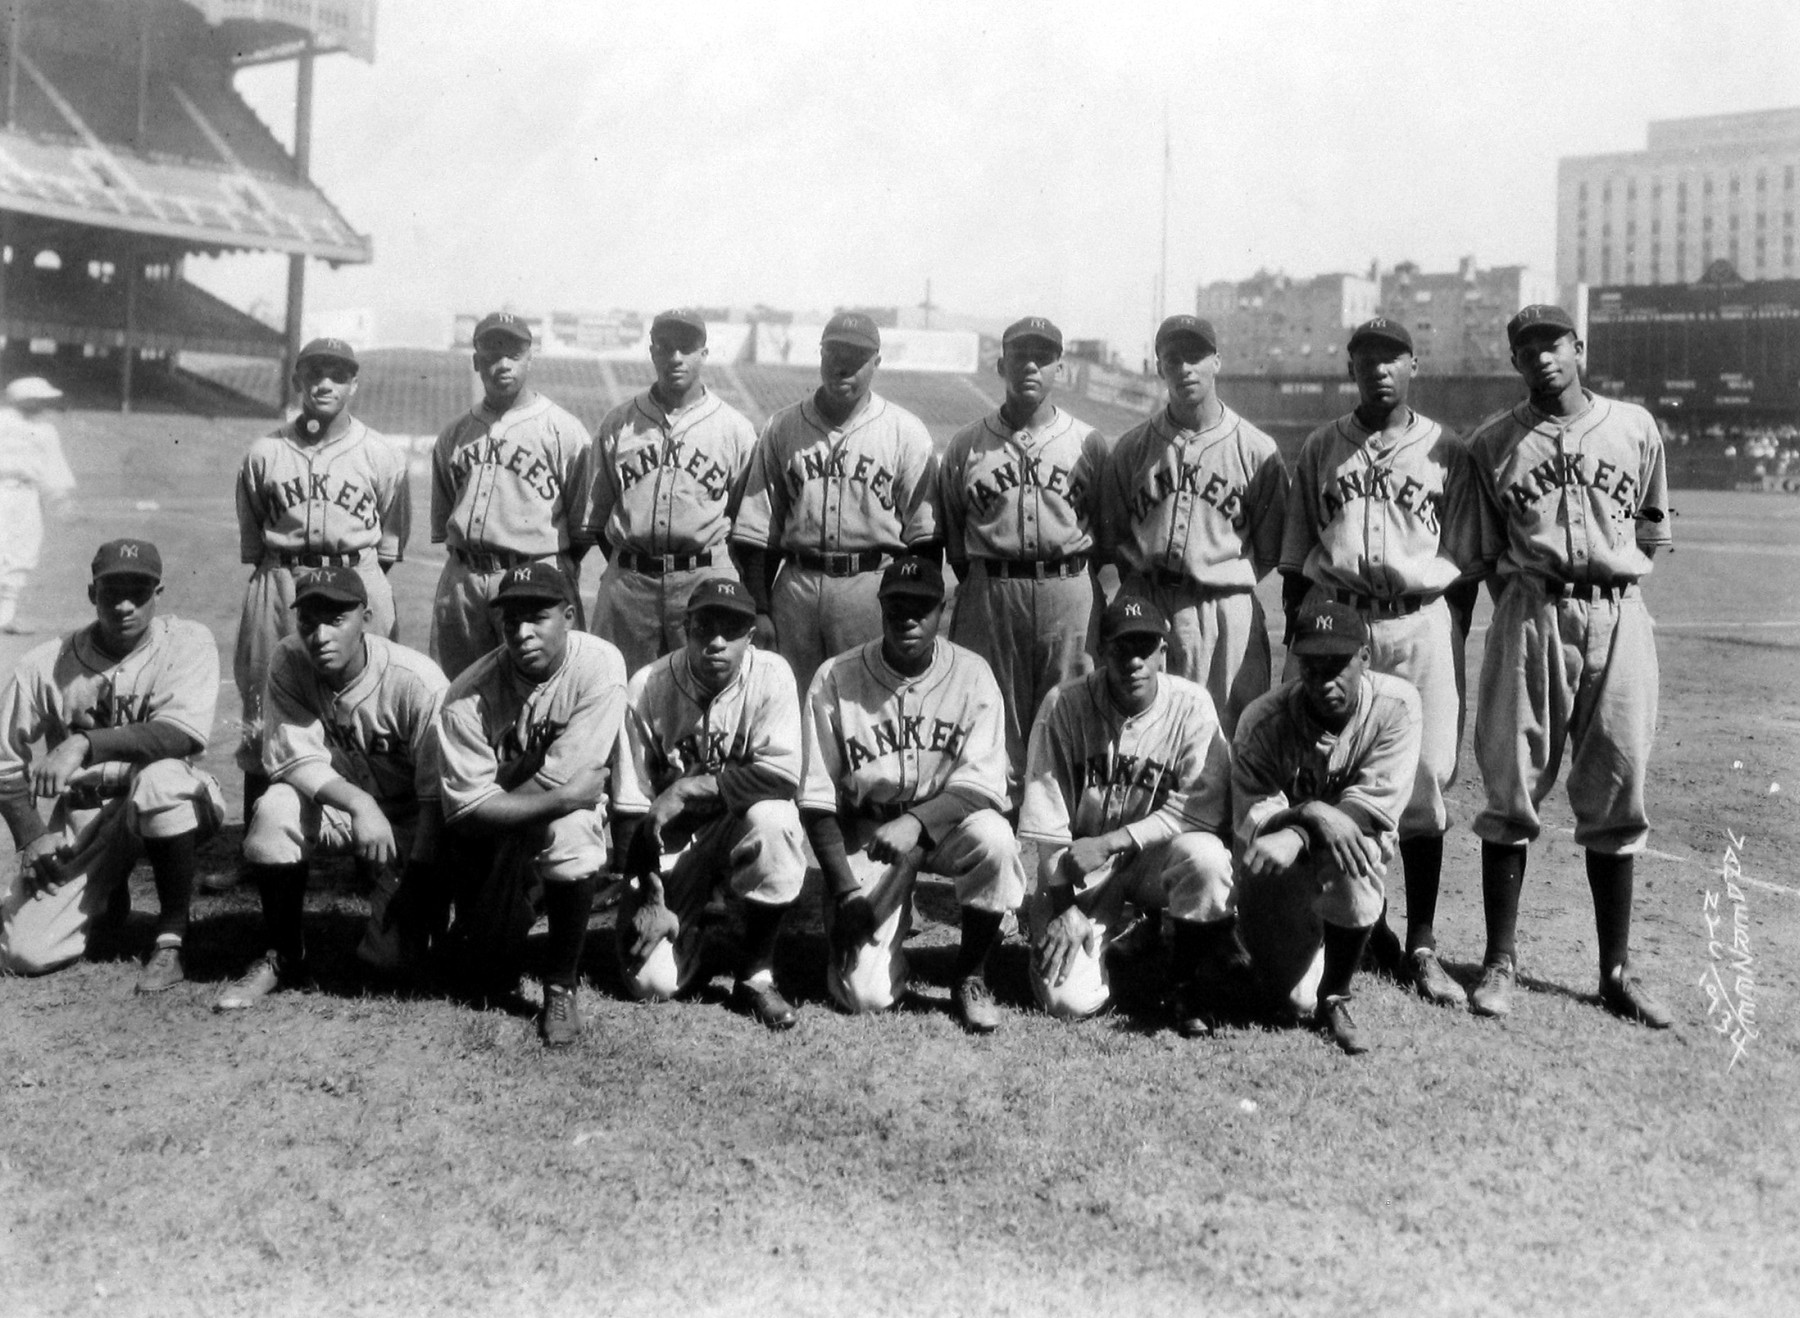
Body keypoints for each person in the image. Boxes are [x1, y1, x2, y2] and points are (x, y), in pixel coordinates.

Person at [1463, 304, 1673, 1028]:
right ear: (1516, 362)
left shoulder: (1636, 426)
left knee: (1618, 786)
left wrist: (1610, 587)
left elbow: (1652, 526)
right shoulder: (1492, 443)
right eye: (1526, 349)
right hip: (1531, 612)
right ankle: (1499, 962)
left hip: (1620, 614)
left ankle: (1615, 973)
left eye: (1552, 344)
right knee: (1510, 787)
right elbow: (1489, 555)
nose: (1542, 358)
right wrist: (1531, 604)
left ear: (1578, 348)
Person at [1278, 317, 1482, 1007]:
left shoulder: (1446, 451)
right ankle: (1363, 929)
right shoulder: (1319, 448)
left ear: (1414, 366)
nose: (1379, 370)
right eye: (1366, 359)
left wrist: (1446, 636)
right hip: (1339, 622)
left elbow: (1466, 569)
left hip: (1417, 621)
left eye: (1391, 358)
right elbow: (1295, 562)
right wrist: (1297, 637)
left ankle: (1421, 944)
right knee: (1324, 775)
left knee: (1423, 785)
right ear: (1352, 368)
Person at [799, 555, 1025, 1032]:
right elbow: (816, 799)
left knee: (997, 839)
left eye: (921, 607)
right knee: (863, 996)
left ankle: (971, 974)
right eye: (896, 605)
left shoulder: (973, 673)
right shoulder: (835, 677)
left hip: (946, 825)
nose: (908, 618)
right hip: (870, 833)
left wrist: (918, 823)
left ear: (941, 611)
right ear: (879, 607)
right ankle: (885, 952)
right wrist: (842, 892)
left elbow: (984, 784)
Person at [214, 567, 447, 1010]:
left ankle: (419, 910)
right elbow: (291, 759)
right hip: (345, 805)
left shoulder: (415, 680)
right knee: (275, 812)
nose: (319, 635)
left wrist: (418, 881)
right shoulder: (288, 660)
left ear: (367, 617)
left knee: (390, 965)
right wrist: (360, 805)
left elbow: (439, 797)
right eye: (309, 621)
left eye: (336, 620)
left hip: (414, 819)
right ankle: (283, 953)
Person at [0, 540, 222, 989]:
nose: (124, 606)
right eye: (111, 592)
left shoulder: (188, 640)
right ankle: (105, 900)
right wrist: (31, 836)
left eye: (138, 593)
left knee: (160, 781)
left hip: (171, 800)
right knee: (24, 953)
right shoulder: (46, 664)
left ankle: (171, 938)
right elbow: (3, 760)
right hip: (85, 815)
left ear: (157, 593)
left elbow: (180, 734)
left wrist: (83, 742)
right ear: (90, 593)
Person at [1020, 594, 1239, 1031]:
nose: (1134, 661)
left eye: (1145, 648)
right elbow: (1047, 822)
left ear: (1164, 652)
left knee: (1206, 858)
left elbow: (1202, 807)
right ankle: (1116, 936)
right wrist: (1064, 906)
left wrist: (1114, 841)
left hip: (1154, 860)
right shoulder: (1063, 704)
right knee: (1068, 1003)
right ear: (1101, 652)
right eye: (1122, 648)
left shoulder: (1193, 705)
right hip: (1080, 868)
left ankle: (1184, 976)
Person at [431, 562, 627, 1047]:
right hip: (485, 841)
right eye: (510, 621)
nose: (521, 633)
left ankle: (560, 984)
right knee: (482, 974)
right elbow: (465, 813)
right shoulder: (466, 696)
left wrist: (556, 799)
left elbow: (573, 786)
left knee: (576, 826)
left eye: (537, 618)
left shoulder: (599, 666)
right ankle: (499, 916)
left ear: (569, 616)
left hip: (531, 822)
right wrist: (558, 797)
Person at [610, 577, 808, 1029]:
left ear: (750, 637)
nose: (716, 642)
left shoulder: (772, 673)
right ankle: (703, 932)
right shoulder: (648, 687)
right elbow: (628, 809)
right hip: (674, 847)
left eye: (732, 630)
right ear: (685, 628)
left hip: (737, 824)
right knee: (651, 986)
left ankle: (756, 974)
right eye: (704, 628)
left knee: (776, 821)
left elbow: (782, 777)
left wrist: (686, 788)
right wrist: (647, 894)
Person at [1232, 601, 1422, 1055]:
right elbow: (1251, 819)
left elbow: (1373, 809)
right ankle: (1341, 937)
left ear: (1365, 657)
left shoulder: (1396, 706)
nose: (1323, 680)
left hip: (1344, 854)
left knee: (1355, 855)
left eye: (1337, 665)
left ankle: (1336, 994)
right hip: (1279, 871)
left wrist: (1302, 824)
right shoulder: (1263, 720)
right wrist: (1310, 817)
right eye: (1311, 667)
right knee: (1287, 1000)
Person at [939, 316, 1109, 809]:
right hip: (991, 589)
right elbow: (953, 534)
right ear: (1000, 365)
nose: (1031, 366)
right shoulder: (968, 443)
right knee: (990, 718)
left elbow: (1107, 533)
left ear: (1061, 366)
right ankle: (997, 842)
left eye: (1043, 356)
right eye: (1020, 356)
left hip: (1070, 586)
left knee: (1073, 712)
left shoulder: (1089, 443)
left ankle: (1064, 853)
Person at [233, 338, 410, 811]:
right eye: (314, 374)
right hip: (281, 580)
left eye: (337, 374)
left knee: (367, 701)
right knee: (263, 703)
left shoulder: (381, 454)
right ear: (297, 381)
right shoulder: (264, 452)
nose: (324, 384)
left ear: (354, 383)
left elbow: (389, 542)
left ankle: (369, 839)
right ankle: (259, 836)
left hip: (355, 577)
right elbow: (254, 540)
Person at [1098, 315, 1287, 739]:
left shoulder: (1256, 449)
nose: (1185, 368)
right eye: (1173, 358)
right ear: (1159, 366)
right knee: (1141, 731)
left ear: (1217, 361)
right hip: (1147, 603)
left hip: (1223, 606)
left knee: (1228, 735)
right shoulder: (1132, 447)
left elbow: (1271, 548)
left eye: (1196, 357)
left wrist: (1224, 583)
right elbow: (1114, 537)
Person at [731, 312, 940, 696]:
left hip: (870, 587)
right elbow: (757, 530)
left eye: (856, 356)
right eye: (834, 352)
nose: (842, 365)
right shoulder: (782, 427)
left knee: (868, 703)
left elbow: (924, 539)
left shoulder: (905, 431)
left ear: (876, 362)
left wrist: (912, 608)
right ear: (820, 354)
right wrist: (760, 607)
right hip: (797, 587)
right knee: (789, 704)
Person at [582, 309, 758, 674]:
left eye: (686, 348)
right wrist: (632, 562)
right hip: (629, 586)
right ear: (652, 352)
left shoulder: (734, 428)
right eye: (665, 347)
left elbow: (745, 525)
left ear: (704, 354)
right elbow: (597, 519)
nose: (675, 357)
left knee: (704, 695)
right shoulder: (618, 423)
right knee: (617, 691)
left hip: (703, 582)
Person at [429, 312, 591, 680]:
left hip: (533, 575)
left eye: (513, 354)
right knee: (456, 691)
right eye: (490, 354)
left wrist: (550, 563)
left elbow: (583, 528)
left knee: (544, 693)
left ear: (530, 357)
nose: (502, 364)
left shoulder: (563, 430)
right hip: (464, 581)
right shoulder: (454, 434)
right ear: (476, 361)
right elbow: (444, 522)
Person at [0, 376, 75, 635]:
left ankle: (5, 617)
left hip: (25, 495)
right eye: (38, 400)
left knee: (21, 550)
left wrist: (59, 497)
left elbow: (52, 468)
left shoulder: (45, 432)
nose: (43, 405)